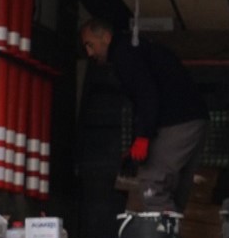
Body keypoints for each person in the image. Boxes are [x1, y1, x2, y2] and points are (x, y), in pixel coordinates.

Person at [80, 17, 208, 213]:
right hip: (194, 119)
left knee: (152, 186)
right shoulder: (137, 48)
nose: (89, 53)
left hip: (176, 121)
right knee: (174, 192)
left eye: (90, 45)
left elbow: (146, 93)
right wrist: (137, 140)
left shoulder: (124, 53)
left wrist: (142, 137)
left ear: (106, 37)